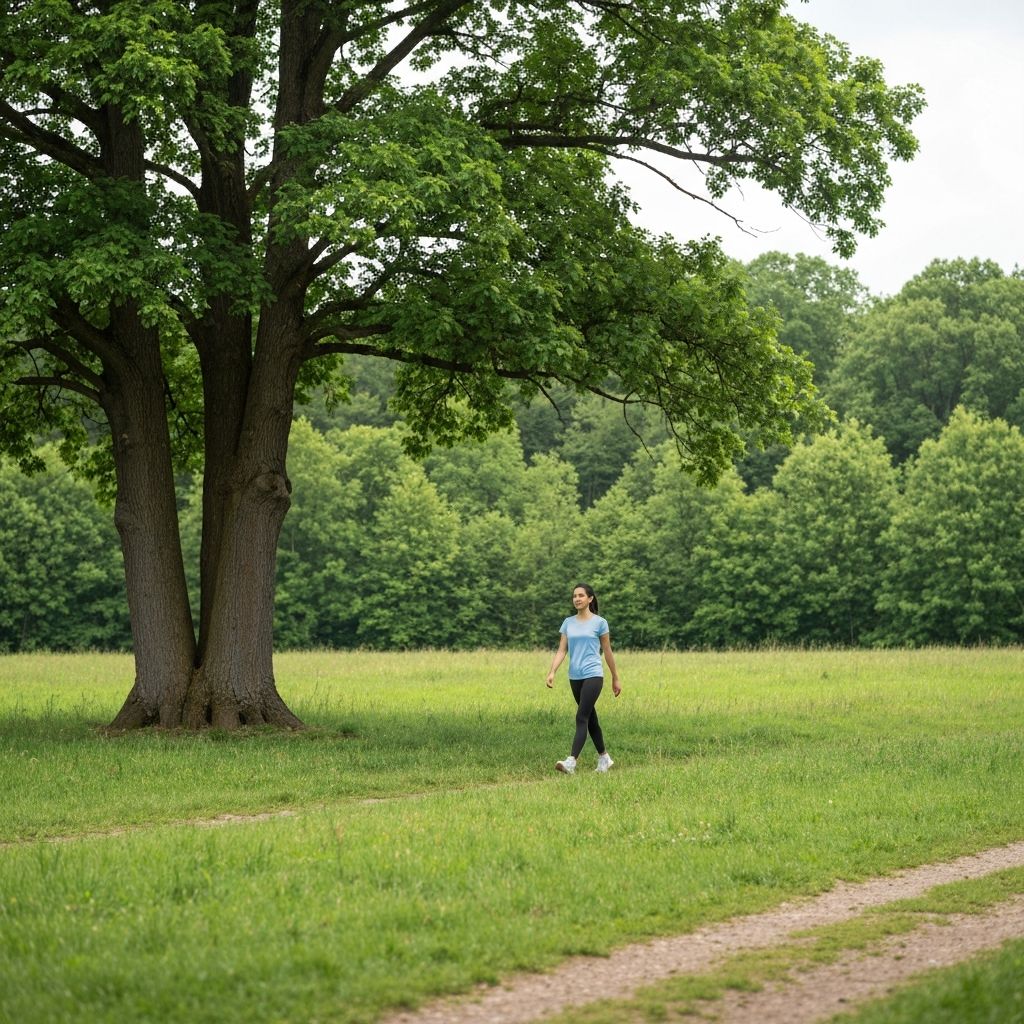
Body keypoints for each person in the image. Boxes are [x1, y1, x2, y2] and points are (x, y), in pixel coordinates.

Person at [545, 582, 622, 774]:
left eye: (581, 595)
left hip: (593, 674)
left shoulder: (600, 623)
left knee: (581, 717)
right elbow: (562, 650)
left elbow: (607, 651)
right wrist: (552, 671)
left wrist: (615, 677)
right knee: (590, 718)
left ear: (590, 599)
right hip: (575, 676)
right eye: (574, 596)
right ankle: (604, 758)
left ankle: (571, 762)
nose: (577, 599)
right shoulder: (568, 622)